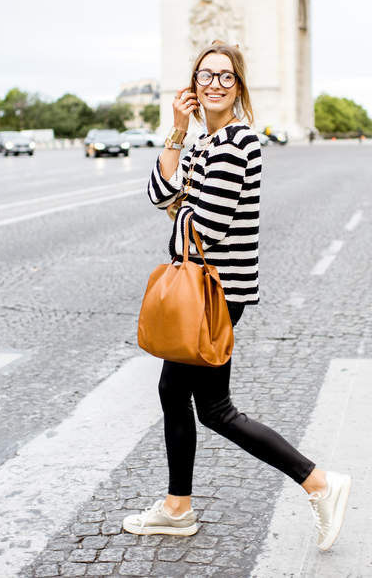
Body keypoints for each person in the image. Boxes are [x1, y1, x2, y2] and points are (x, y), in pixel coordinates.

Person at [124, 40, 351, 552]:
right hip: (205, 285)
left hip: (216, 290)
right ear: (192, 85)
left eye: (226, 76)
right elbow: (159, 195)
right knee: (188, 399)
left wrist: (180, 207)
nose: (215, 84)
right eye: (206, 76)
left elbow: (210, 223)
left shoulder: (239, 142)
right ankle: (178, 507)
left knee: (214, 408)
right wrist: (177, 136)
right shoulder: (203, 142)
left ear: (239, 86)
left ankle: (318, 482)